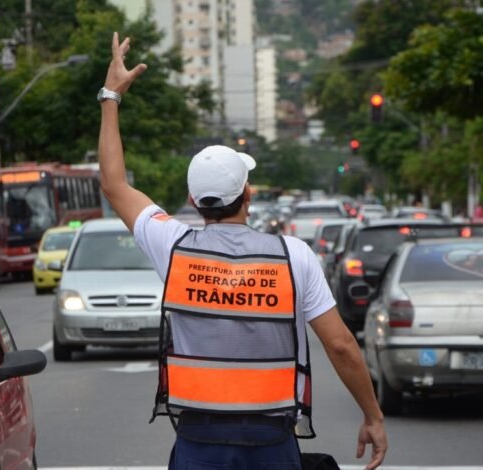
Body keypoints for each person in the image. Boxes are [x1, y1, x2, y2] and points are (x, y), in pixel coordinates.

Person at [96, 32, 387, 470]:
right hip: (272, 442)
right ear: (247, 192)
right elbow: (342, 346)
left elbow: (114, 184)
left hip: (197, 441)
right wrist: (372, 415)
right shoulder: (293, 256)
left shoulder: (174, 246)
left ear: (194, 201)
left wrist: (110, 97)